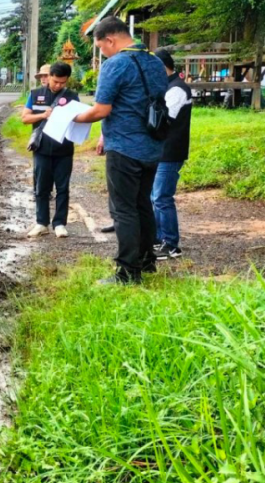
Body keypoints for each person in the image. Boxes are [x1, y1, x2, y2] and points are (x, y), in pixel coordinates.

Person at [73, 17, 168, 284]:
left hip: (125, 148)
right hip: (152, 147)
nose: (101, 52)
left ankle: (127, 272)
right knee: (142, 205)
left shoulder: (115, 65)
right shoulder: (155, 62)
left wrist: (74, 118)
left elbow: (101, 110)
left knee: (123, 210)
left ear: (110, 40)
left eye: (100, 46)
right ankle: (147, 261)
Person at [22, 62, 80, 238]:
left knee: (63, 188)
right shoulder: (35, 94)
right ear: (48, 78)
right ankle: (41, 223)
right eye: (55, 81)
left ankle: (60, 223)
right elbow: (25, 118)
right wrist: (42, 115)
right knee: (41, 188)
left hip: (64, 150)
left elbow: (79, 119)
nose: (58, 85)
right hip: (42, 149)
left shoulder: (72, 97)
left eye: (63, 82)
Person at [151, 49, 192, 260]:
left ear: (161, 67)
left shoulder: (177, 89)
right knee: (154, 196)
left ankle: (171, 243)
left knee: (162, 197)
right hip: (162, 151)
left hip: (171, 151)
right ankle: (159, 238)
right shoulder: (168, 86)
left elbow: (165, 119)